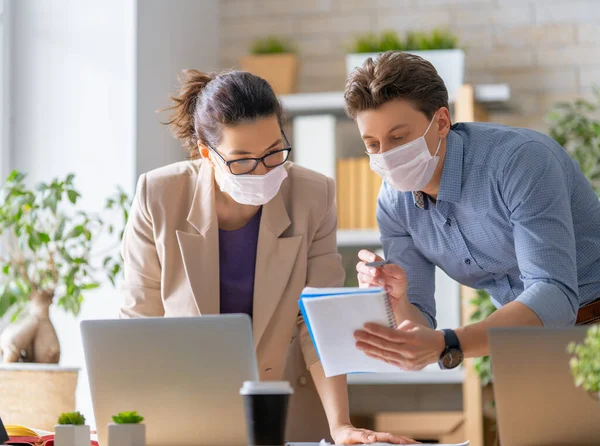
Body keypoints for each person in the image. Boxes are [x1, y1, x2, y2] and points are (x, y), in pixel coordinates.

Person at [119, 68, 416, 445]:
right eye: (242, 159)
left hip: (282, 405)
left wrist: (341, 425)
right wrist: (124, 421)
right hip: (183, 404)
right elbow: (138, 322)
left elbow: (318, 321)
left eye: (274, 152)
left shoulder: (313, 195)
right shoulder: (159, 195)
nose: (262, 171)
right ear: (207, 152)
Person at [346, 51, 600, 372]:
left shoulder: (519, 163)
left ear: (441, 122)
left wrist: (450, 342)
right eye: (372, 144)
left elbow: (554, 294)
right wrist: (396, 300)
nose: (387, 156)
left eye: (398, 138)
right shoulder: (394, 203)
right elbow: (419, 321)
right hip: (525, 341)